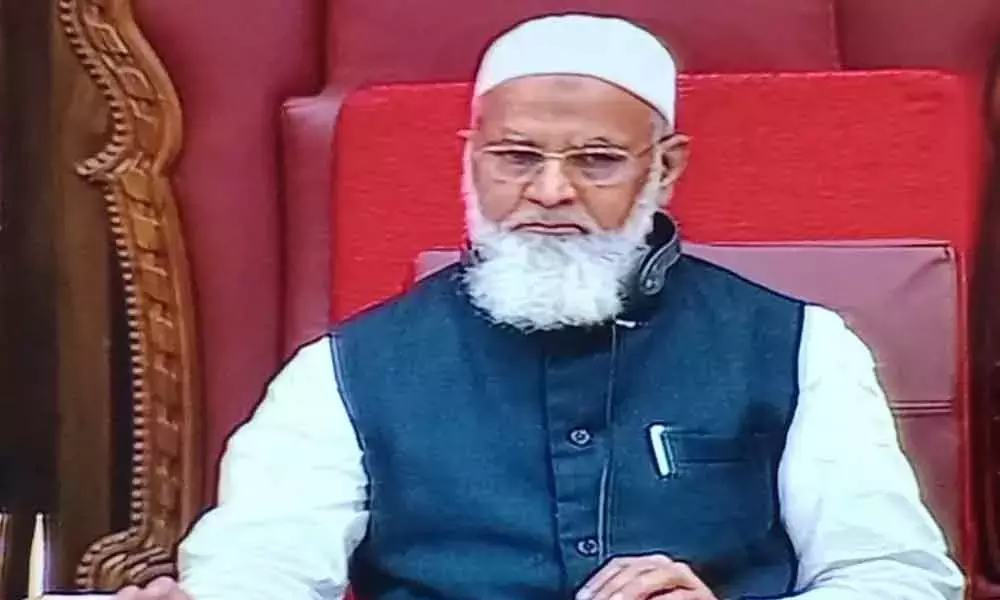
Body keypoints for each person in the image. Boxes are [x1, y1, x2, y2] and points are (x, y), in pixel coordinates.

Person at [116, 13, 964, 600]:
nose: (550, 191)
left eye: (596, 160)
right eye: (516, 157)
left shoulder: (802, 346)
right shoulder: (343, 372)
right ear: (471, 160)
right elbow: (264, 564)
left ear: (664, 167)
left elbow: (897, 576)